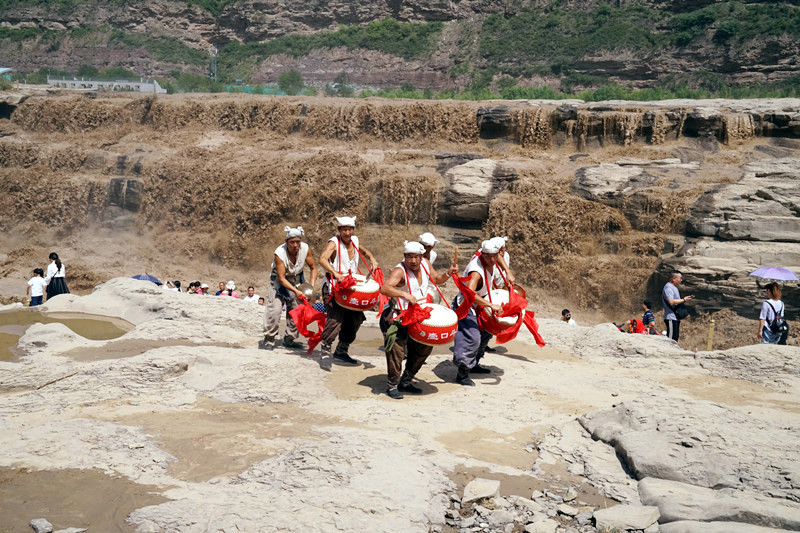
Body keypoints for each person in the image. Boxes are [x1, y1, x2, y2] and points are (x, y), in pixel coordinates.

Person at [379, 241, 458, 399]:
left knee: (424, 348)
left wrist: (448, 273)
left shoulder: (426, 264)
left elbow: (437, 279)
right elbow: (384, 288)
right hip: (398, 317)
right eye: (409, 257)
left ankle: (406, 381)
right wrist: (404, 295)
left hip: (418, 316)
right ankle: (392, 385)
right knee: (397, 352)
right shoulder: (399, 271)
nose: (413, 261)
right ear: (404, 256)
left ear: (422, 256)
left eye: (416, 257)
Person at [318, 216, 378, 370]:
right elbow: (323, 259)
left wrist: (372, 259)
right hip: (334, 286)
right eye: (344, 229)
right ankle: (325, 352)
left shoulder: (355, 241)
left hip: (351, 287)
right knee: (335, 318)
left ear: (353, 230)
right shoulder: (334, 243)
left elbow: (365, 251)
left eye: (350, 229)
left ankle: (341, 350)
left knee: (355, 318)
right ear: (339, 230)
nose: (347, 232)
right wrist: (335, 273)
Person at [451, 239, 504, 386]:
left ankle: (474, 364)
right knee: (472, 338)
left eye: (495, 256)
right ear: (483, 254)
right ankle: (462, 373)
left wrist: (508, 271)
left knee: (487, 332)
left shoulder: (492, 257)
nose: (492, 259)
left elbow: (497, 257)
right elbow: (470, 294)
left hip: (480, 304)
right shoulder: (476, 272)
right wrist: (491, 305)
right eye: (488, 256)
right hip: (466, 306)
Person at [264, 225, 319, 349]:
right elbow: (282, 278)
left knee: (298, 311)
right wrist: (295, 291)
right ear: (286, 242)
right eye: (292, 242)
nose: (295, 245)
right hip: (278, 282)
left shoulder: (305, 249)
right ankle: (269, 339)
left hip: (296, 280)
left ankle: (289, 339)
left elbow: (313, 268)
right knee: (275, 310)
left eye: (297, 242)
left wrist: (310, 287)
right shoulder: (280, 253)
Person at [662, 270, 693, 342]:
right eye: (680, 278)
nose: (681, 280)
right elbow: (671, 301)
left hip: (675, 317)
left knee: (675, 338)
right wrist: (684, 300)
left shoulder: (674, 288)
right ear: (673, 279)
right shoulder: (668, 287)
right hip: (670, 317)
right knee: (671, 339)